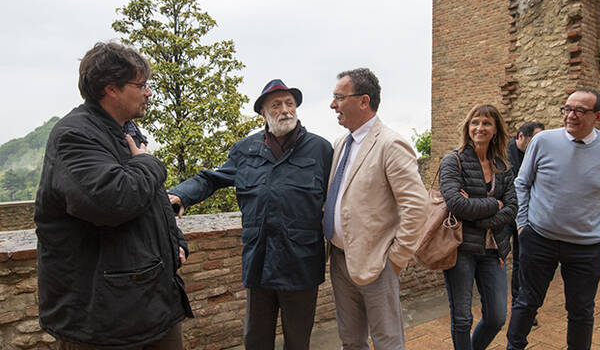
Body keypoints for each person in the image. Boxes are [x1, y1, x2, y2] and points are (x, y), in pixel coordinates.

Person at [34, 41, 193, 348]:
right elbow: (111, 201)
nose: (149, 93)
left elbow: (150, 200)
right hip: (105, 321)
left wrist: (176, 242)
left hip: (149, 307)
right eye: (142, 85)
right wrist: (149, 163)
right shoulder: (75, 135)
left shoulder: (125, 131)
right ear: (111, 89)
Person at [169, 79, 332, 350]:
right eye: (276, 105)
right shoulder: (245, 150)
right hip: (260, 260)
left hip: (301, 262)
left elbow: (338, 195)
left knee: (298, 341)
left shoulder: (321, 149)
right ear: (263, 114)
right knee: (255, 340)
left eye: (290, 104)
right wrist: (181, 195)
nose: (285, 110)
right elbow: (211, 178)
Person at [506, 88, 600, 350]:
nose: (570, 115)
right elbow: (522, 183)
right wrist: (523, 224)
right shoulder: (543, 142)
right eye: (567, 109)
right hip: (539, 239)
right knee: (527, 302)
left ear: (598, 116)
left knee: (581, 311)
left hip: (587, 247)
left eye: (579, 111)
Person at [325, 68, 429, 349]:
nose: (332, 104)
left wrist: (396, 259)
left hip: (377, 263)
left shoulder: (390, 144)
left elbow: (417, 206)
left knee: (387, 342)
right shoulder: (340, 144)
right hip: (339, 259)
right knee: (351, 341)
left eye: (338, 97)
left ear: (363, 101)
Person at [440, 104, 518, 350]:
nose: (480, 128)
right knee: (462, 318)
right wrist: (495, 203)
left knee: (496, 317)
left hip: (494, 251)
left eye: (486, 123)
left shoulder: (503, 167)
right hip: (461, 247)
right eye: (475, 122)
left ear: (495, 130)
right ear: (467, 127)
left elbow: (513, 207)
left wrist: (479, 213)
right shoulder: (453, 161)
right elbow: (456, 204)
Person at [506, 121, 544, 316]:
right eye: (534, 139)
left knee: (524, 260)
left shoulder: (537, 154)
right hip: (504, 216)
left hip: (526, 216)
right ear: (521, 136)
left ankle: (520, 304)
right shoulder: (504, 155)